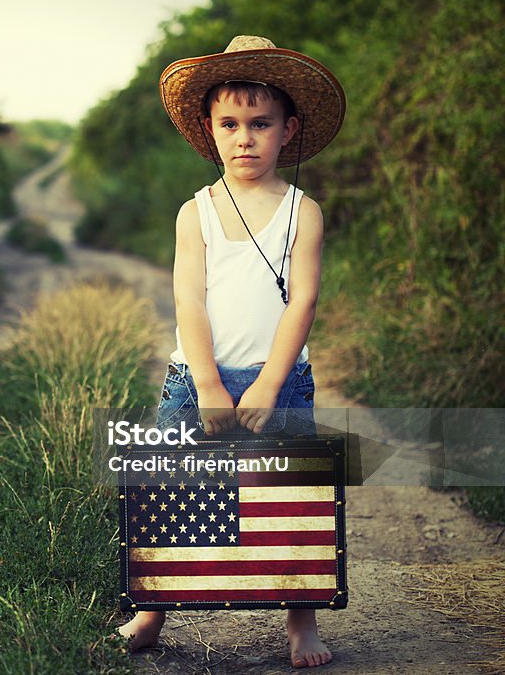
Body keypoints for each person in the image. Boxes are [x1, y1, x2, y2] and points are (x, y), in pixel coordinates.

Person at [117, 36, 346, 668]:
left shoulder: (304, 211)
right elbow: (188, 303)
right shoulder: (197, 213)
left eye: (260, 123)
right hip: (199, 380)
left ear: (287, 129)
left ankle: (301, 623)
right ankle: (152, 611)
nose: (244, 138)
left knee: (289, 503)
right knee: (178, 493)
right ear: (209, 130)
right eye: (230, 124)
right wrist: (212, 385)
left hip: (281, 380)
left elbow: (302, 301)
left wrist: (270, 383)